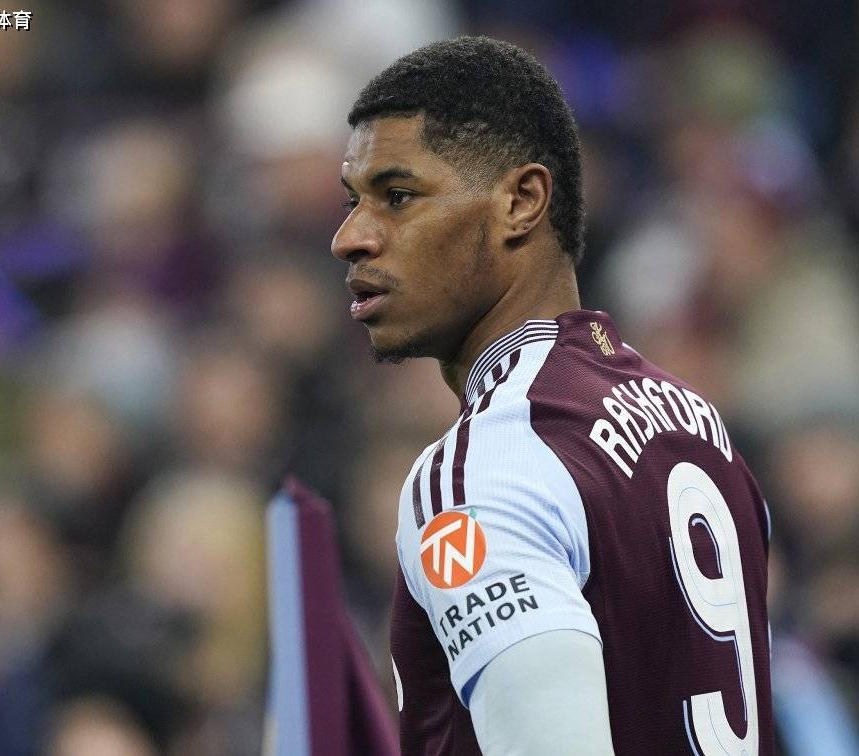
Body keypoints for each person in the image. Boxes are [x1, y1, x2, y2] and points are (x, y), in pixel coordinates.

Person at [331, 37, 773, 755]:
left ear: (522, 202)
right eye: (354, 202)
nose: (349, 238)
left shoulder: (483, 469)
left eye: (398, 197)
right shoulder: (694, 422)